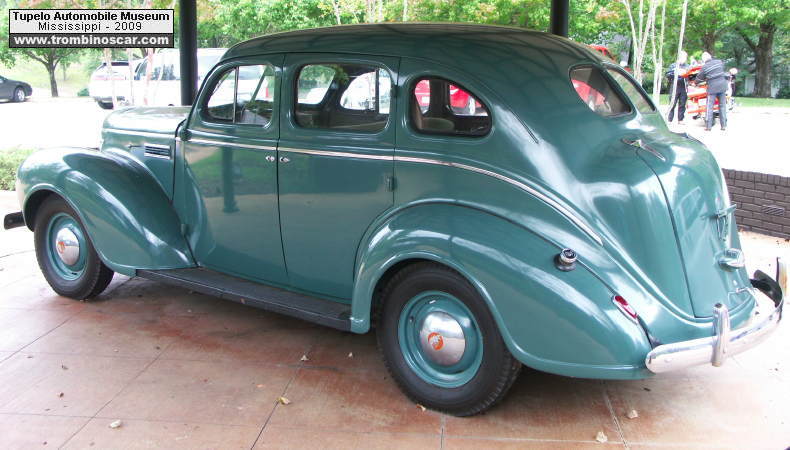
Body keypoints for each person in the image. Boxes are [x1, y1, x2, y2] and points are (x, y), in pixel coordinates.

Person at [696, 51, 728, 131]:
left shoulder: (704, 67)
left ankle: (708, 126)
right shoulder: (719, 62)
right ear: (710, 57)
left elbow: (699, 79)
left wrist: (697, 82)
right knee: (722, 106)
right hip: (722, 86)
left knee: (709, 107)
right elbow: (724, 71)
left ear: (704, 60)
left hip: (712, 88)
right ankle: (723, 125)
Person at [666, 50, 689, 123]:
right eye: (682, 57)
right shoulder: (673, 65)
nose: (684, 58)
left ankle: (680, 119)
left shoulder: (688, 66)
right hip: (675, 86)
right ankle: (669, 119)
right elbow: (668, 75)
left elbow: (691, 76)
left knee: (682, 103)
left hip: (684, 86)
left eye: (685, 57)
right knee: (672, 103)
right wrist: (675, 72)